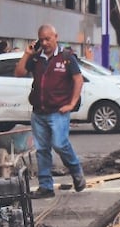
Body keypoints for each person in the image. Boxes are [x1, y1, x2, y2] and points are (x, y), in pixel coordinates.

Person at [14, 23, 85, 199]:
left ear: (56, 37)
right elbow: (19, 72)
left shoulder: (66, 57)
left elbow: (78, 80)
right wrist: (27, 54)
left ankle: (76, 170)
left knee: (60, 144)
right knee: (42, 149)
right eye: (42, 39)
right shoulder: (36, 58)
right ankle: (46, 186)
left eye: (48, 38)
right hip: (39, 112)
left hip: (58, 111)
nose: (45, 43)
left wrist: (72, 103)